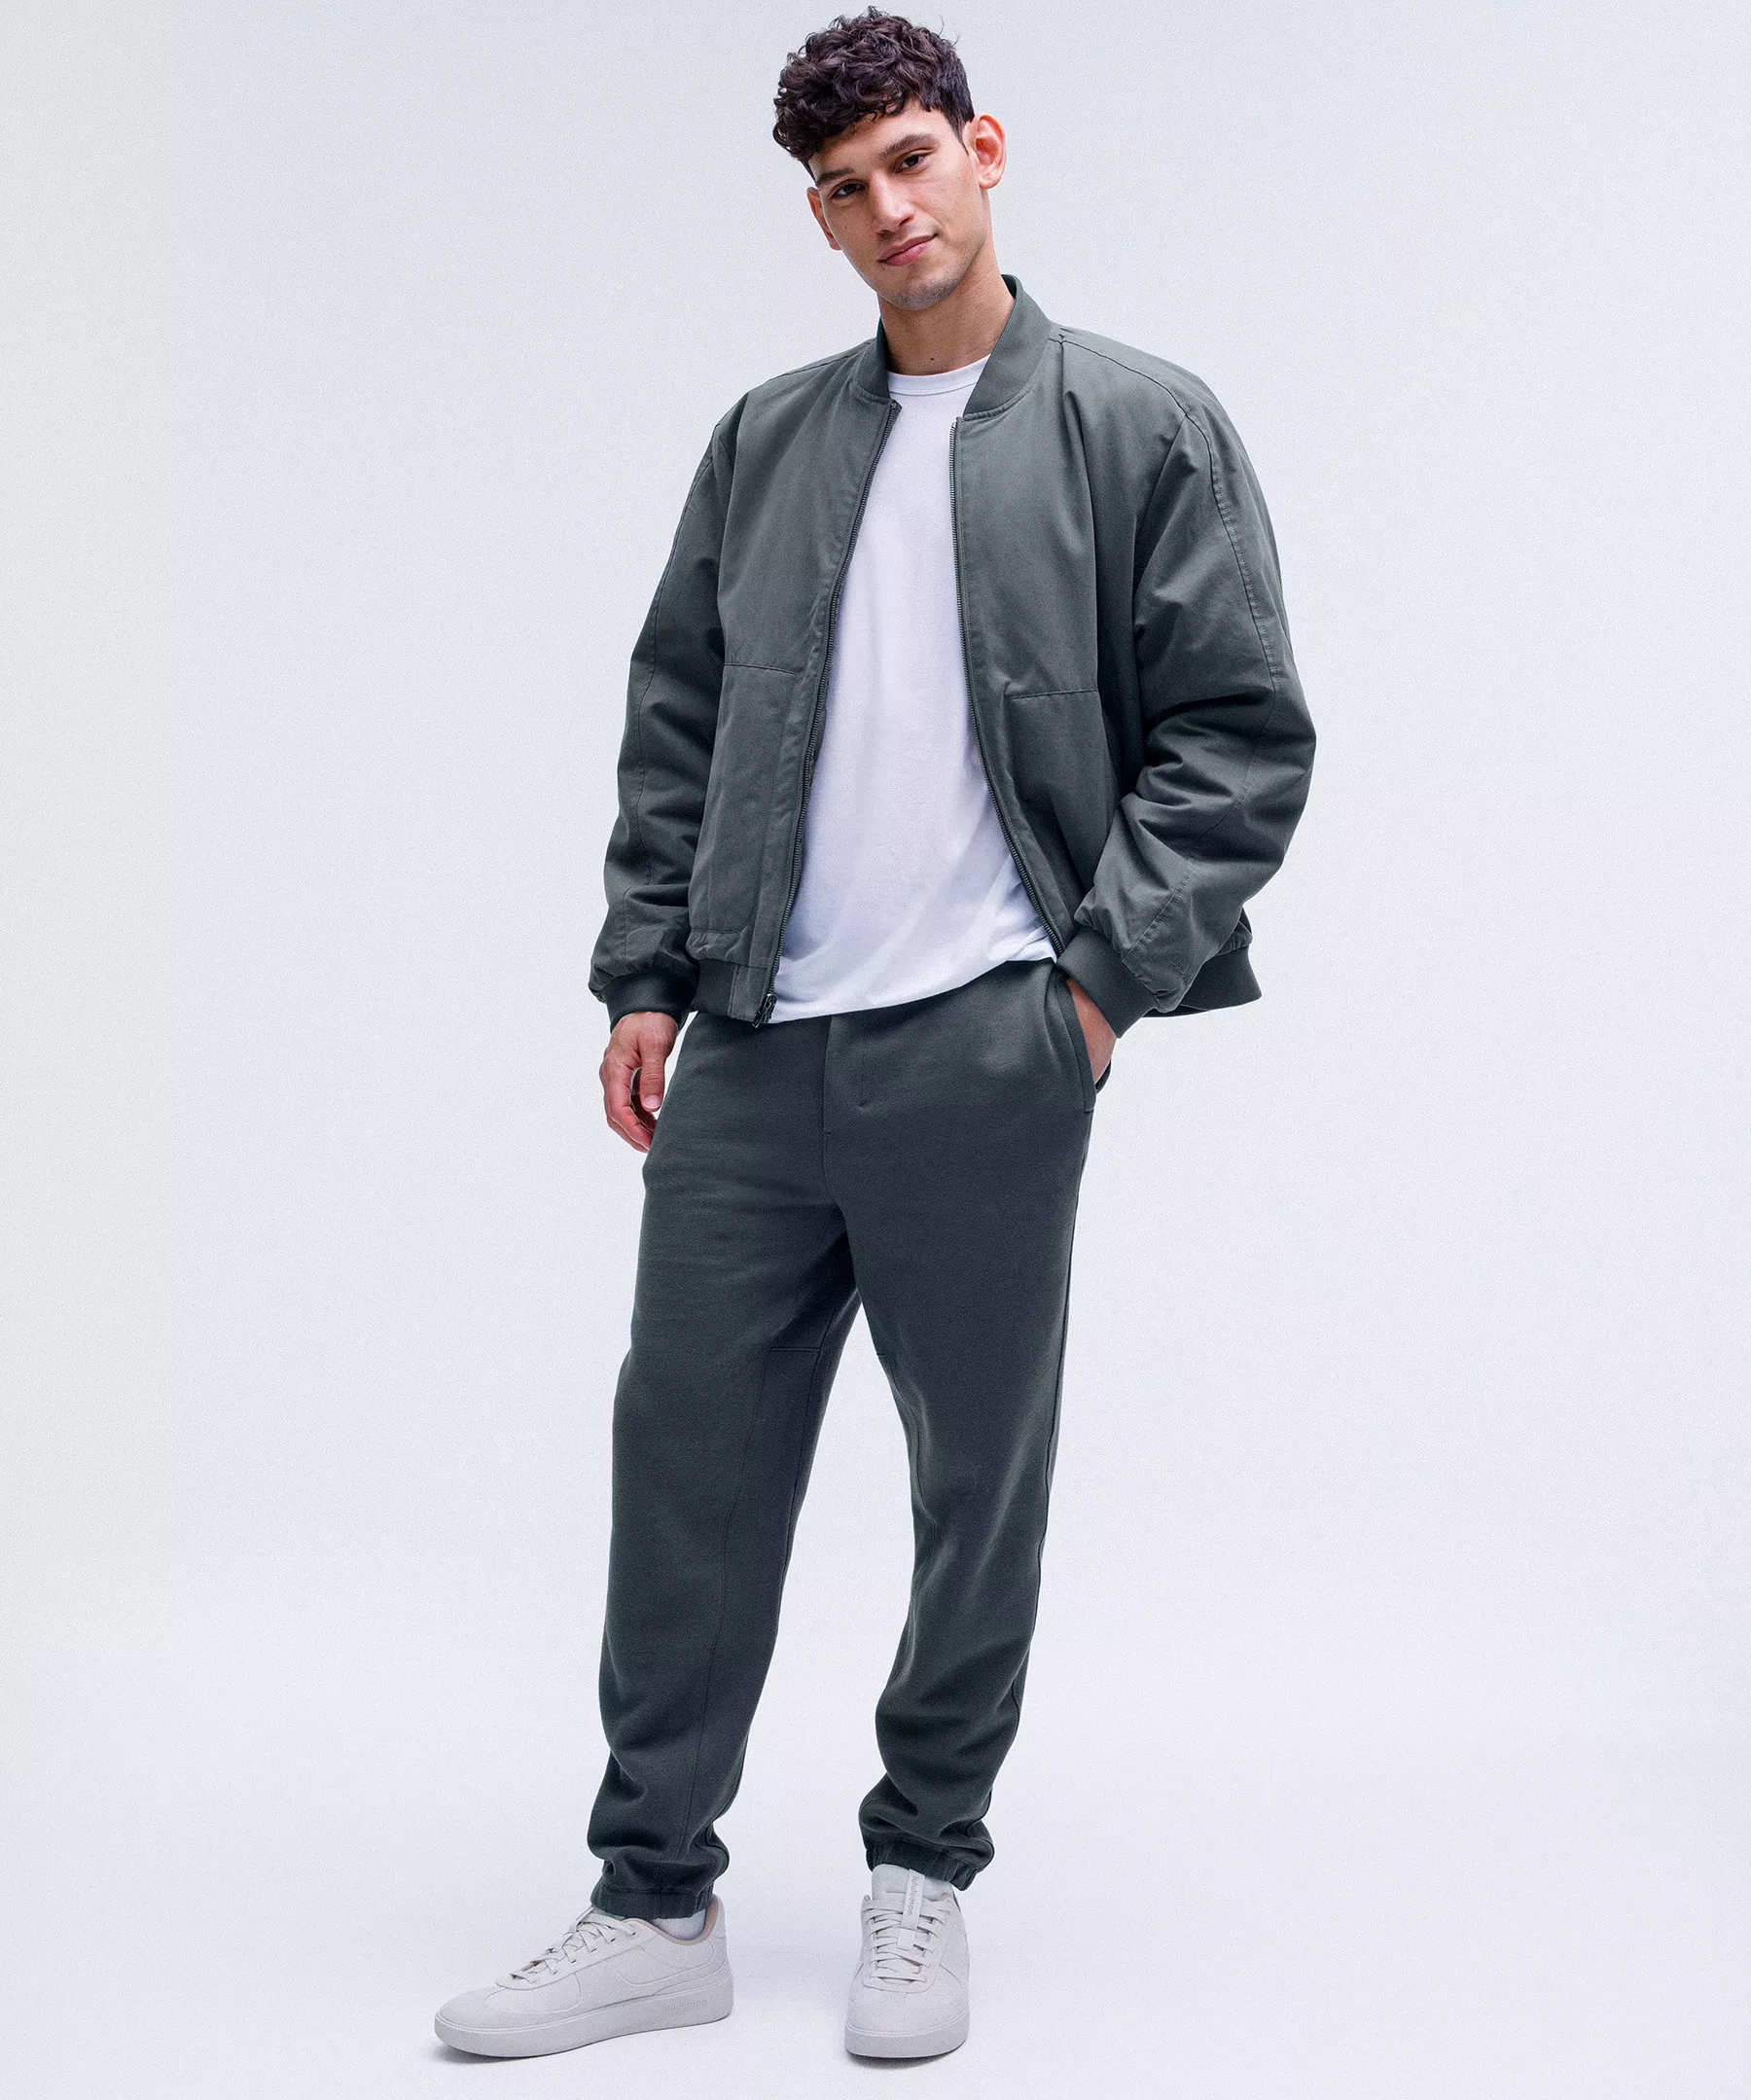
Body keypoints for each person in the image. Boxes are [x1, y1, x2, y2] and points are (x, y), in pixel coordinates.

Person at [435, 6, 1314, 2064]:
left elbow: (1240, 737)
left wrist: (1091, 991)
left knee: (972, 1485)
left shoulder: (1138, 422)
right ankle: (654, 1896)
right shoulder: (768, 440)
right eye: (844, 188)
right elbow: (676, 717)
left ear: (982, 152)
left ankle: (924, 1868)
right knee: (685, 1469)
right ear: (820, 220)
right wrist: (647, 972)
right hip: (754, 1047)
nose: (887, 208)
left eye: (912, 159)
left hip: (985, 1046)